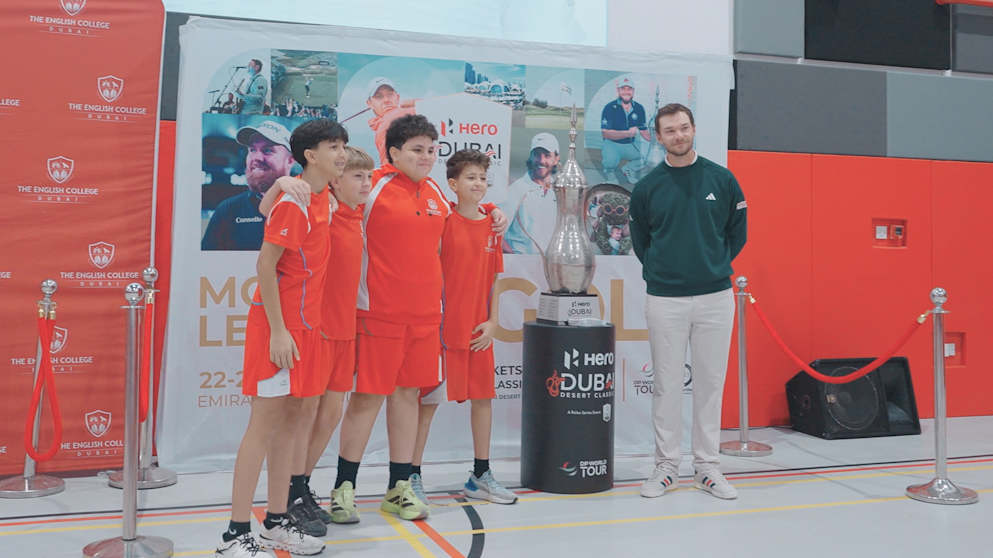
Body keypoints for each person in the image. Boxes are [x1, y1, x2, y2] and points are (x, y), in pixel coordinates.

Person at [215, 118, 348, 558]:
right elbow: (265, 269)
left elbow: (274, 204)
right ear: (310, 154)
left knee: (292, 428)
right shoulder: (297, 203)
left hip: (306, 332)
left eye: (343, 146)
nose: (342, 155)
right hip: (278, 334)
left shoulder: (321, 195)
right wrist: (277, 331)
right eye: (333, 147)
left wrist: (280, 188)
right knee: (263, 429)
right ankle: (235, 534)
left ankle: (274, 523)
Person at [629, 103, 747, 501]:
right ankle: (666, 468)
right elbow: (642, 242)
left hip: (716, 297)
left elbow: (737, 234)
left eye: (684, 128)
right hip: (665, 299)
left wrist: (711, 266)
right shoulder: (647, 188)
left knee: (711, 384)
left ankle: (707, 468)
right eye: (670, 131)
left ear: (694, 129)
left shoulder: (722, 179)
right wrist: (668, 272)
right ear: (658, 137)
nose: (678, 136)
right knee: (666, 384)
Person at [258, 146, 374, 533]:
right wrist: (280, 181)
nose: (365, 184)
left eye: (368, 177)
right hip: (316, 328)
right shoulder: (321, 204)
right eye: (357, 176)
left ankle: (301, 485)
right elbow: (268, 212)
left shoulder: (358, 215)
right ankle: (288, 494)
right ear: (335, 179)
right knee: (304, 414)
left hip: (345, 330)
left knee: (329, 415)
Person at [408, 149, 517, 506]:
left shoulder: (493, 224)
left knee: (483, 401)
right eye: (471, 178)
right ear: (452, 184)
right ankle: (411, 475)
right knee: (427, 406)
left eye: (483, 179)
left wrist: (493, 321)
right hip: (442, 333)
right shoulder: (443, 221)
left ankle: (480, 474)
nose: (479, 184)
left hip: (478, 331)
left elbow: (494, 280)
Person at [201, 121, 295, 251]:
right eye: (252, 150)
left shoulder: (309, 207)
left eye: (267, 150)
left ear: (290, 160)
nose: (256, 158)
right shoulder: (227, 210)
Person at [502, 132, 560, 254]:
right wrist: (517, 261)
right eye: (537, 155)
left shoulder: (560, 192)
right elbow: (496, 235)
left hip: (551, 267)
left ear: (556, 159)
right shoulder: (515, 190)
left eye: (547, 155)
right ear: (531, 157)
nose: (541, 160)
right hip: (521, 268)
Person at [600, 76, 650, 184]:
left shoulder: (639, 108)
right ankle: (610, 174)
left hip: (630, 144)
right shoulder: (609, 107)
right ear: (618, 90)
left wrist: (658, 141)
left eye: (629, 89)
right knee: (609, 162)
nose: (626, 92)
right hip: (612, 144)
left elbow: (644, 131)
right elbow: (605, 134)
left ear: (633, 91)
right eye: (623, 89)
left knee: (649, 154)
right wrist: (627, 133)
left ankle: (628, 169)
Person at [364, 76, 416, 164]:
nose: (386, 100)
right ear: (370, 103)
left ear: (397, 97)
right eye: (379, 96)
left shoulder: (381, 125)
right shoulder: (386, 123)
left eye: (390, 94)